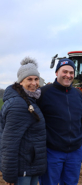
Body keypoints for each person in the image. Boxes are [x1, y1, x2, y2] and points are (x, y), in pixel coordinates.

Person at [37, 58, 82, 185]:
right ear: (56, 73)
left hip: (75, 151)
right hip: (52, 151)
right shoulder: (43, 93)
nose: (68, 75)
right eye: (64, 72)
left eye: (71, 73)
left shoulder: (78, 94)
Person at [0, 57, 46, 185]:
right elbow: (9, 143)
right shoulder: (18, 105)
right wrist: (10, 175)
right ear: (20, 82)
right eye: (29, 79)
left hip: (30, 165)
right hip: (22, 168)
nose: (34, 83)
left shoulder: (29, 100)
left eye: (36, 79)